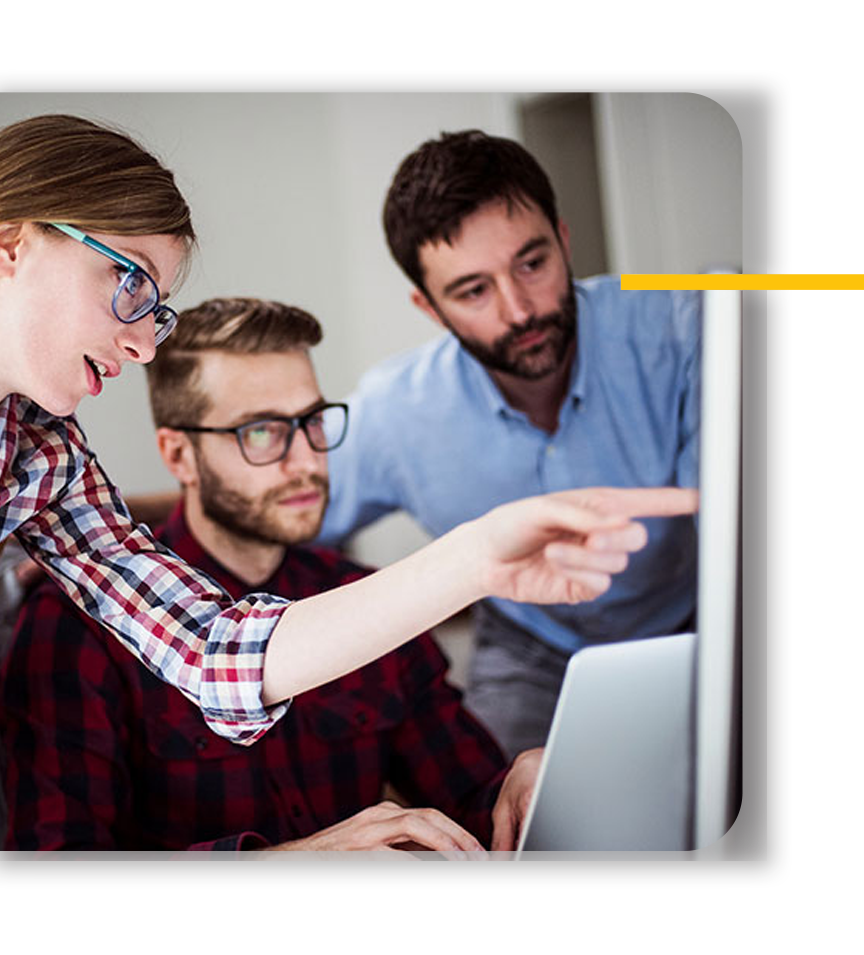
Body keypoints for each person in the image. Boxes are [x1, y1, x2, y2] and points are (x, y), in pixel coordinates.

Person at [0, 114, 693, 748]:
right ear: (12, 242)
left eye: (156, 308)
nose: (145, 346)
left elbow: (216, 654)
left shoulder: (47, 455)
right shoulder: (407, 405)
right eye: (131, 282)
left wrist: (478, 557)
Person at [0, 296, 549, 860]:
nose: (307, 460)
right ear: (179, 454)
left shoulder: (366, 600)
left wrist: (524, 786)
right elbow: (55, 876)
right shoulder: (76, 625)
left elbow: (470, 799)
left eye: (312, 422)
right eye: (262, 433)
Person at [318, 130, 702, 757]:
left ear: (564, 239)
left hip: (692, 620)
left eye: (533, 263)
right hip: (531, 646)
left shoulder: (680, 331)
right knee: (495, 818)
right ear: (430, 308)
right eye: (473, 291)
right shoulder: (397, 409)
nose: (520, 310)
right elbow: (285, 518)